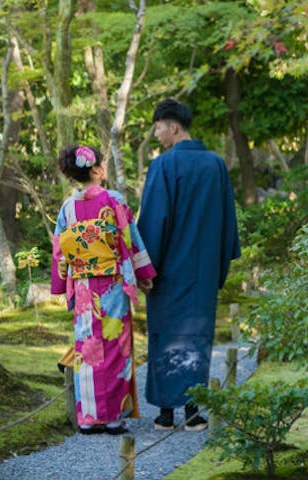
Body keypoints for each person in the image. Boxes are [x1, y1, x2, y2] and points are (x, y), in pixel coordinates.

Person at [138, 98, 241, 431]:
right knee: (197, 337)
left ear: (173, 126)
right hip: (203, 272)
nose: (156, 135)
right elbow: (228, 221)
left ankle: (167, 414)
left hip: (167, 273)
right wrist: (219, 266)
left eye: (157, 127)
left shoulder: (163, 167)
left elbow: (154, 221)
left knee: (165, 336)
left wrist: (145, 270)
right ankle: (195, 412)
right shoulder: (216, 165)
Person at [51, 145, 156, 435]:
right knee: (115, 345)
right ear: (96, 169)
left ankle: (88, 417)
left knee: (88, 348)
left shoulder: (67, 207)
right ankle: (113, 418)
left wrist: (61, 284)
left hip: (84, 285)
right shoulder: (114, 200)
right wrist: (144, 274)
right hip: (111, 283)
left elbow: (60, 249)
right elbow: (130, 239)